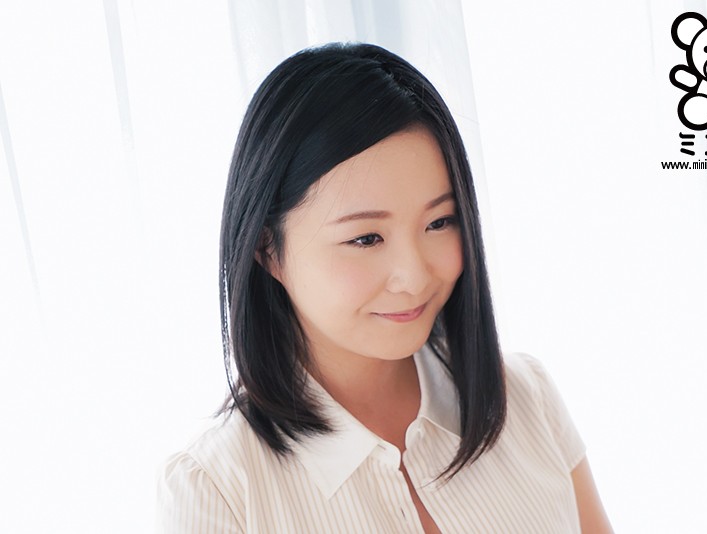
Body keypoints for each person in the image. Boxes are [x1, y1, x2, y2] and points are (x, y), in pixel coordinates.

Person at [157, 42, 613, 533]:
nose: (413, 277)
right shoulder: (217, 490)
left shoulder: (525, 397)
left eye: (439, 222)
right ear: (268, 249)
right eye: (366, 238)